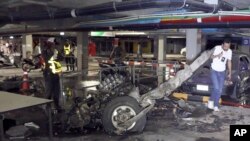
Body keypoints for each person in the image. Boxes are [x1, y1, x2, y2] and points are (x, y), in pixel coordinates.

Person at [208, 38, 232, 112]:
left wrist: (230, 73)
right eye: (225, 47)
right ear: (222, 45)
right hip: (214, 70)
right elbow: (210, 57)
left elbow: (229, 62)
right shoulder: (216, 48)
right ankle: (214, 104)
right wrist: (217, 55)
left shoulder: (229, 51)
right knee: (216, 88)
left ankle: (213, 103)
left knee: (219, 90)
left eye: (228, 47)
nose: (226, 48)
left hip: (222, 72)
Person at [42, 37, 62, 111]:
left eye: (55, 44)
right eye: (54, 44)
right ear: (50, 44)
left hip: (56, 74)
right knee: (49, 92)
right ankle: (47, 107)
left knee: (57, 91)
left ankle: (57, 106)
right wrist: (53, 55)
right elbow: (46, 59)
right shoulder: (45, 51)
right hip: (48, 74)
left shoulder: (56, 51)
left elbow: (61, 58)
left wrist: (58, 53)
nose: (55, 45)